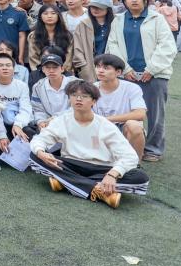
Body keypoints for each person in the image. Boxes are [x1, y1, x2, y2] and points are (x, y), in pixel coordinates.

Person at [29, 80, 149, 208]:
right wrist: (41, 152)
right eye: (74, 95)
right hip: (72, 165)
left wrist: (112, 174)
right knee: (35, 155)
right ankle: (98, 190)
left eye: (84, 96)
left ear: (94, 101)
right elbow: (39, 140)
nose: (78, 99)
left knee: (140, 178)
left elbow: (130, 156)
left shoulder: (105, 125)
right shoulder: (61, 121)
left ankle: (65, 182)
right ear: (69, 99)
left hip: (101, 168)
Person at [106, 0, 176, 162]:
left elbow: (167, 45)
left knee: (155, 113)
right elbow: (113, 44)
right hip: (127, 74)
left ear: (145, 0)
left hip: (154, 75)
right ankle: (128, 146)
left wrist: (152, 69)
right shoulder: (118, 20)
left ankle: (153, 149)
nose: (134, 0)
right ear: (124, 1)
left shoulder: (157, 18)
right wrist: (125, 69)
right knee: (127, 112)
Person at [93, 54, 147, 159]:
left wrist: (107, 119)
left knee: (134, 126)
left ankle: (134, 164)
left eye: (106, 68)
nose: (100, 71)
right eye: (98, 67)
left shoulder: (131, 88)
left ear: (118, 72)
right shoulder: (91, 88)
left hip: (122, 127)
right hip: (98, 128)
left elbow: (140, 114)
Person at [0, 52, 32, 143]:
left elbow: (25, 108)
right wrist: (2, 134)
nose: (5, 68)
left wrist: (18, 124)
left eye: (8, 65)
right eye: (0, 65)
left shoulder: (22, 86)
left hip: (17, 122)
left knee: (28, 135)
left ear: (14, 68)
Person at [29, 52, 77, 132]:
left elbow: (77, 108)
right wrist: (40, 121)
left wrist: (55, 118)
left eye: (55, 67)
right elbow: (37, 109)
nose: (51, 71)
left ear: (62, 69)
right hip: (49, 126)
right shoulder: (38, 87)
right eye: (47, 68)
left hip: (72, 123)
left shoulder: (76, 84)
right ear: (43, 69)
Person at [27, 5, 73, 72]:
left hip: (63, 71)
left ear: (58, 16)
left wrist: (62, 70)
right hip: (41, 72)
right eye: (45, 13)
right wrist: (42, 71)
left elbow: (69, 57)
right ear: (40, 17)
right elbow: (33, 57)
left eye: (53, 13)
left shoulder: (67, 35)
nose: (49, 16)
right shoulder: (33, 36)